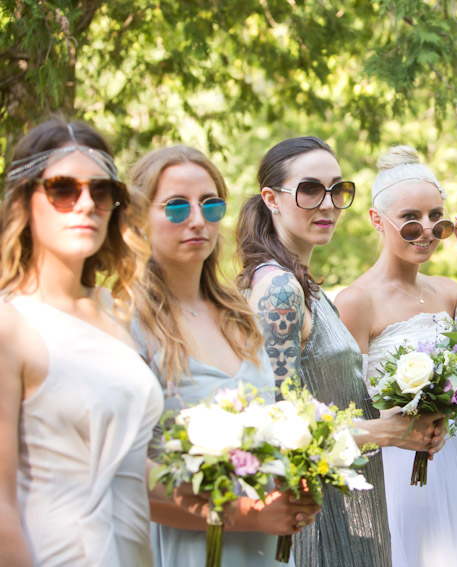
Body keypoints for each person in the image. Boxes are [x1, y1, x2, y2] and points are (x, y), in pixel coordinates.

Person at [236, 136, 446, 567]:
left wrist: (403, 418)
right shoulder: (278, 290)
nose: (328, 203)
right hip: (313, 519)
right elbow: (276, 426)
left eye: (337, 189)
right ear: (271, 199)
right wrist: (385, 433)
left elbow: (327, 402)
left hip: (348, 500)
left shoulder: (305, 284)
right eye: (310, 189)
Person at [335, 145, 457, 567]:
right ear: (377, 219)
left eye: (436, 218)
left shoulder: (446, 292)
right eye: (410, 219)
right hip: (399, 476)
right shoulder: (356, 302)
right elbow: (346, 413)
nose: (426, 230)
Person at [128, 145, 321, 567]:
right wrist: (245, 515)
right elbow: (123, 480)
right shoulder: (127, 324)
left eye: (210, 205)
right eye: (176, 207)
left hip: (263, 551)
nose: (197, 220)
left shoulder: (241, 316)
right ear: (139, 218)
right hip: (183, 549)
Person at [0, 118, 163, 566]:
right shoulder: (9, 326)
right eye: (62, 189)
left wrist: (237, 482)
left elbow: (123, 463)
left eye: (102, 190)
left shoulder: (111, 313)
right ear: (25, 199)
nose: (85, 204)